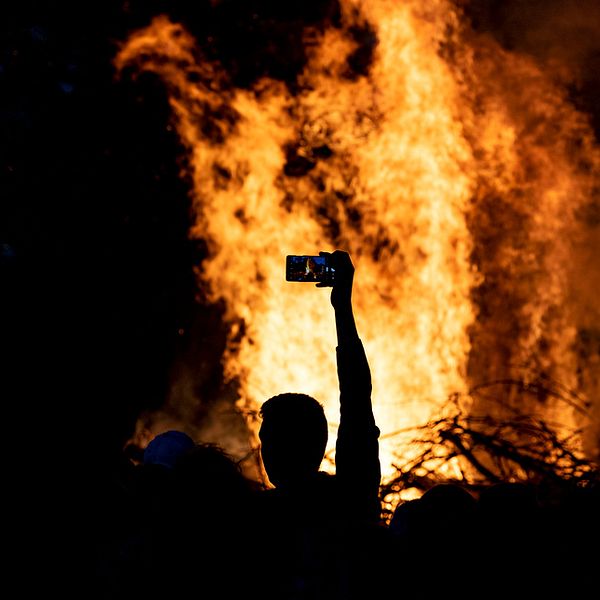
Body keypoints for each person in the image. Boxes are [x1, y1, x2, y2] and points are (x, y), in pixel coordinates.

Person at [256, 250, 382, 599]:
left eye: (270, 440)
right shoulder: (351, 499)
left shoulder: (253, 521)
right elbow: (357, 401)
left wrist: (343, 309)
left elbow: (357, 401)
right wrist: (342, 308)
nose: (265, 452)